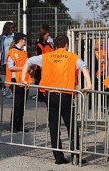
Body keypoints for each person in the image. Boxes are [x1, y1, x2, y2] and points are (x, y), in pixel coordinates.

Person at [21, 35, 92, 165]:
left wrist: (23, 79)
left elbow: (28, 61)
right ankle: (75, 156)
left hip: (50, 95)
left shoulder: (47, 56)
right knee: (71, 126)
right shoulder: (73, 57)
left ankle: (58, 157)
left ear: (55, 45)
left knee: (54, 125)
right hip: (65, 95)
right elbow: (84, 68)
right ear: (67, 45)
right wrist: (88, 85)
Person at [5, 32, 32, 133]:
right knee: (17, 104)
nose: (25, 41)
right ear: (20, 40)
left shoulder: (24, 52)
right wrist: (24, 68)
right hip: (16, 80)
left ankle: (19, 125)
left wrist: (28, 69)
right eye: (24, 39)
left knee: (22, 104)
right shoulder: (12, 52)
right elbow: (10, 67)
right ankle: (14, 126)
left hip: (24, 79)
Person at [31, 27, 54, 101]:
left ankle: (45, 95)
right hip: (40, 67)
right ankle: (40, 95)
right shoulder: (38, 44)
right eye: (47, 36)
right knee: (39, 81)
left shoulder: (49, 45)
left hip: (48, 66)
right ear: (43, 36)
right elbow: (39, 56)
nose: (48, 38)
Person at [0, 21, 15, 99]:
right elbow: (0, 48)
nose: (12, 29)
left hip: (13, 59)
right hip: (5, 59)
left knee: (13, 76)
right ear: (7, 28)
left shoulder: (14, 36)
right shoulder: (1, 37)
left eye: (13, 27)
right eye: (11, 27)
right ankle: (10, 90)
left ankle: (13, 92)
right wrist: (0, 58)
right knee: (8, 76)